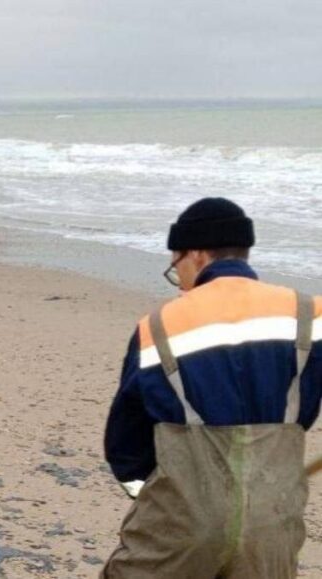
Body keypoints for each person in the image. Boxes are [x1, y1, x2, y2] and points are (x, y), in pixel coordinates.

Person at [102, 197, 322, 578]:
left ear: (197, 255)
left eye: (176, 267)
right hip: (271, 522)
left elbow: (125, 446)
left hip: (181, 522)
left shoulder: (158, 327)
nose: (179, 282)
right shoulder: (308, 315)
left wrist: (148, 494)